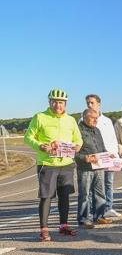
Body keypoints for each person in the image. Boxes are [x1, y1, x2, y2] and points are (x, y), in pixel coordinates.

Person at [24, 89, 83, 241]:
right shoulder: (40, 117)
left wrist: (77, 146)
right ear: (49, 102)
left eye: (61, 102)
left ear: (65, 104)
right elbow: (28, 137)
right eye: (55, 102)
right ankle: (44, 229)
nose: (58, 105)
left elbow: (78, 139)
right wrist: (40, 145)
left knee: (65, 196)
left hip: (66, 164)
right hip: (47, 163)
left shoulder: (70, 120)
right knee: (47, 196)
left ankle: (63, 226)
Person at [76, 109, 114, 229]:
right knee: (85, 194)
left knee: (99, 192)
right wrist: (84, 158)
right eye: (93, 118)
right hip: (85, 168)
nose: (96, 120)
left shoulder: (97, 130)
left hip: (99, 166)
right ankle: (84, 218)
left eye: (97, 118)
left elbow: (102, 148)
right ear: (85, 117)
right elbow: (73, 152)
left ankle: (99, 216)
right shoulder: (78, 130)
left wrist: (108, 154)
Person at [85, 94, 121, 218]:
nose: (90, 105)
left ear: (99, 104)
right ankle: (91, 211)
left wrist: (115, 154)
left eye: (92, 102)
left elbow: (113, 138)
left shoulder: (107, 121)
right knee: (93, 187)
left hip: (108, 157)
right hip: (94, 158)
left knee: (108, 183)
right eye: (88, 103)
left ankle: (108, 208)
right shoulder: (83, 119)